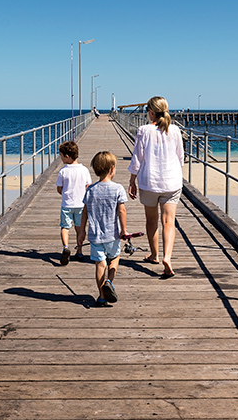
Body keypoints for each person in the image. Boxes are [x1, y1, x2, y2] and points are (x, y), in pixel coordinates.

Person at [128, 96, 184, 278]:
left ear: (151, 112)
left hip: (149, 181)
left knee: (152, 221)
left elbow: (137, 158)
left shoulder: (144, 130)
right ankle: (167, 257)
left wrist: (132, 181)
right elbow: (180, 157)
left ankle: (154, 255)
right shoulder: (175, 130)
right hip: (171, 181)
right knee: (168, 222)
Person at [81, 150, 128, 307]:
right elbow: (121, 211)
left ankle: (101, 296)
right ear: (112, 169)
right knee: (114, 257)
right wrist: (124, 230)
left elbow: (85, 212)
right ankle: (109, 281)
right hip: (112, 234)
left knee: (100, 264)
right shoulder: (117, 188)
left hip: (95, 236)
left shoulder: (91, 190)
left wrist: (82, 231)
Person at [55, 141, 91, 265]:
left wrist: (65, 193)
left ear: (67, 156)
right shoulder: (84, 170)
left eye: (61, 156)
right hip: (81, 205)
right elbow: (88, 186)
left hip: (67, 205)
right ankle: (79, 250)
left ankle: (66, 247)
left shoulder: (63, 171)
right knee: (80, 229)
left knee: (65, 227)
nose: (60, 158)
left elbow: (59, 189)